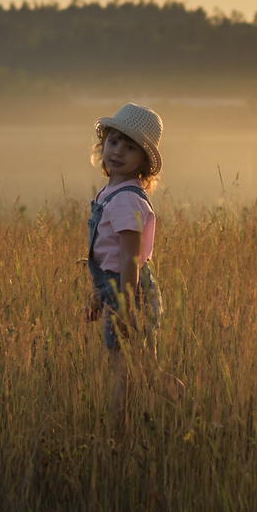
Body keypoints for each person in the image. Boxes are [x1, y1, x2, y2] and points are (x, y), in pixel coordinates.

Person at [84, 102, 164, 425]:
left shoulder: (127, 198)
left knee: (128, 368)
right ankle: (127, 425)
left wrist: (125, 305)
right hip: (115, 288)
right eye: (114, 142)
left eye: (130, 148)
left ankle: (119, 431)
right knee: (136, 367)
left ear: (143, 162)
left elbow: (129, 258)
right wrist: (98, 296)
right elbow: (109, 257)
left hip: (128, 291)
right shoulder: (110, 192)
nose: (118, 152)